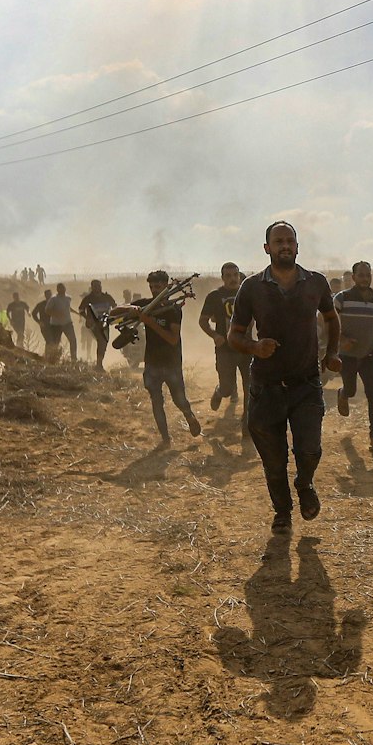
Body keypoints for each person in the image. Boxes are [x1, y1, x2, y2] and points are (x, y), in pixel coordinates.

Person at [230, 222, 340, 534]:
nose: (285, 246)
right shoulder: (251, 287)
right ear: (267, 248)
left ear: (297, 246)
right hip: (266, 387)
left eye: (290, 240)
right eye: (278, 241)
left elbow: (331, 318)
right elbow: (234, 335)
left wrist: (332, 353)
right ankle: (282, 512)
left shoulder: (316, 282)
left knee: (310, 449)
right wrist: (255, 347)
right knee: (274, 461)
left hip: (306, 383)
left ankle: (304, 483)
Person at [110, 270, 201, 449]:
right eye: (151, 286)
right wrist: (131, 309)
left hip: (171, 362)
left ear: (166, 286)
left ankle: (189, 416)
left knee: (179, 399)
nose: (154, 290)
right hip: (152, 362)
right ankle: (165, 439)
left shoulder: (173, 310)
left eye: (158, 286)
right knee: (156, 401)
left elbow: (173, 339)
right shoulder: (146, 305)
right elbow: (114, 312)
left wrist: (149, 322)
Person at [334, 261, 373, 452]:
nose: (365, 279)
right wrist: (342, 339)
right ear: (353, 277)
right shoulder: (342, 298)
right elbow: (330, 321)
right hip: (348, 355)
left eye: (368, 275)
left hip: (369, 353)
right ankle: (342, 394)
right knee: (351, 390)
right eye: (361, 275)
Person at [197, 262, 252, 431]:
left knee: (250, 387)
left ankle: (247, 423)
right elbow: (203, 321)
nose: (232, 279)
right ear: (222, 278)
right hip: (225, 350)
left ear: (239, 275)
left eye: (235, 275)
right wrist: (215, 335)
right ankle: (220, 391)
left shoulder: (248, 293)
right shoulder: (214, 296)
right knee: (227, 388)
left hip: (247, 348)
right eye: (228, 276)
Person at [78, 279, 116, 370]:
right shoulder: (88, 298)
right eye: (95, 286)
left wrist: (112, 316)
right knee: (102, 341)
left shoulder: (107, 297)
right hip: (94, 324)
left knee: (104, 342)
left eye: (99, 286)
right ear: (92, 287)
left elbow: (115, 307)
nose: (97, 288)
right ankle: (99, 365)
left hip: (105, 323)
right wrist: (87, 318)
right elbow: (81, 310)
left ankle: (99, 363)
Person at [43, 282, 77, 363]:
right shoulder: (53, 299)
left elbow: (68, 308)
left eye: (63, 288)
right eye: (60, 288)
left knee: (73, 340)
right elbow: (47, 310)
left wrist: (77, 313)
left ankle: (74, 359)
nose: (62, 290)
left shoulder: (68, 298)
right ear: (57, 289)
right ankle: (53, 359)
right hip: (56, 324)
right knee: (55, 343)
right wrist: (57, 314)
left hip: (67, 323)